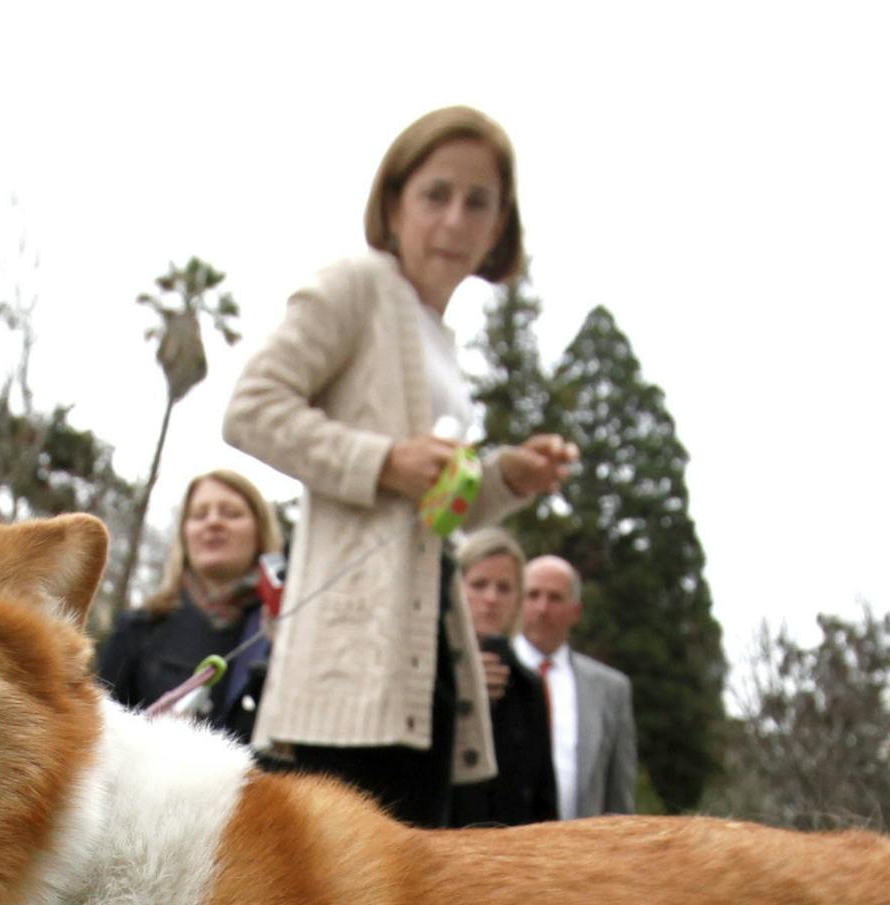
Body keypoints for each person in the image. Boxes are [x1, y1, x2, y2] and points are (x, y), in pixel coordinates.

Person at [224, 105, 576, 827]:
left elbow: (436, 510)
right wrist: (383, 460)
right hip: (347, 669)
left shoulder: (443, 343)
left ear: (499, 224)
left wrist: (509, 476)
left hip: (426, 670)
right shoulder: (359, 287)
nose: (455, 219)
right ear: (393, 203)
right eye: (436, 194)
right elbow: (250, 409)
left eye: (478, 202)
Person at [95, 469, 281, 740]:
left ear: (260, 531)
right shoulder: (139, 628)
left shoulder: (285, 632)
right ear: (184, 534)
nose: (213, 522)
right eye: (199, 515)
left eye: (231, 513)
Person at [514, 555, 638, 819]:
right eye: (532, 595)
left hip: (580, 851)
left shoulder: (610, 690)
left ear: (576, 611)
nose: (542, 607)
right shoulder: (486, 674)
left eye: (555, 597)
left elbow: (619, 796)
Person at [448, 528, 557, 827]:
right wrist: (462, 689)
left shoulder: (529, 686)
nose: (491, 598)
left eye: (504, 588)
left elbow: (542, 796)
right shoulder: (432, 681)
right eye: (479, 585)